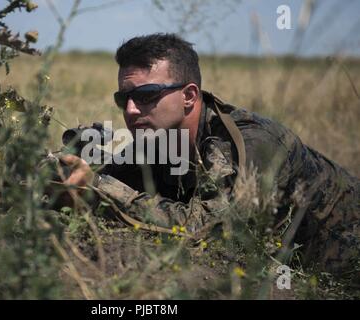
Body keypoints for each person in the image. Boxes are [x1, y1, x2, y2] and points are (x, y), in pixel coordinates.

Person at [58, 33, 359, 282]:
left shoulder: (252, 142)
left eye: (147, 95)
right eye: (124, 99)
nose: (131, 110)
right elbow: (106, 181)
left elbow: (211, 230)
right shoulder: (157, 138)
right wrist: (67, 177)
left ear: (189, 96)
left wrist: (99, 187)